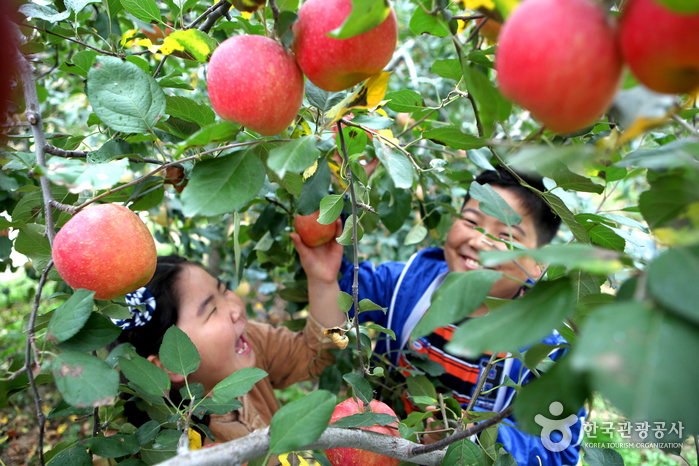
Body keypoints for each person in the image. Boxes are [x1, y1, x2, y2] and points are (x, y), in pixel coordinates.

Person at [292, 167, 585, 466]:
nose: (480, 241)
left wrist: (470, 439)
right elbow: (336, 315)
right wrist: (323, 277)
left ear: (539, 262)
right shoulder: (407, 285)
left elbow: (558, 450)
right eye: (472, 221)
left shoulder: (548, 350)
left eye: (507, 235)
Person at [113, 253, 346, 445]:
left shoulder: (245, 344)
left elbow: (321, 355)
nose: (235, 308)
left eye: (223, 290)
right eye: (211, 311)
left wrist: (323, 281)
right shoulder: (187, 451)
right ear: (167, 364)